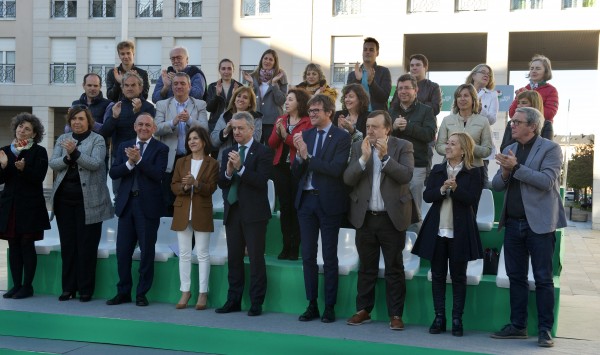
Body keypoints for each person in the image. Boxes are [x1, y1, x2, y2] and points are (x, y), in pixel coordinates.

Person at [491, 107, 566, 348]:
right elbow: (496, 186)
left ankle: (545, 330)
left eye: (517, 122)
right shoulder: (508, 149)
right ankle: (518, 325)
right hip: (513, 223)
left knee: (543, 278)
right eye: (512, 122)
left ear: (532, 126)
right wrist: (504, 172)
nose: (512, 125)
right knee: (516, 277)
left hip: (540, 225)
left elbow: (546, 181)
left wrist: (515, 168)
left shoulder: (551, 148)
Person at [343, 110, 416, 331]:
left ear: (387, 129)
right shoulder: (358, 147)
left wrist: (385, 158)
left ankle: (395, 314)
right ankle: (363, 310)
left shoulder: (403, 146)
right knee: (366, 268)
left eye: (375, 126)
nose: (370, 130)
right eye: (367, 126)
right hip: (365, 217)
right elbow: (348, 178)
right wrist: (364, 159)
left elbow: (406, 176)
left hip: (391, 218)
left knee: (394, 268)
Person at [412, 132, 483, 337]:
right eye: (447, 143)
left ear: (463, 150)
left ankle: (457, 319)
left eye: (453, 144)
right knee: (438, 275)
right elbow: (427, 196)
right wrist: (443, 189)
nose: (448, 147)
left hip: (460, 231)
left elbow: (471, 200)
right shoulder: (437, 169)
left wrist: (457, 189)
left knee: (459, 276)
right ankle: (439, 317)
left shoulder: (474, 172)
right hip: (437, 230)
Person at [292, 94, 352, 323]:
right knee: (307, 255)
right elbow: (296, 173)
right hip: (306, 201)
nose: (312, 114)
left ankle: (329, 306)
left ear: (329, 112)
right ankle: (312, 304)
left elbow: (336, 169)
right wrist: (299, 159)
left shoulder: (341, 137)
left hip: (328, 202)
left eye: (317, 110)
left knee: (329, 256)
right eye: (310, 110)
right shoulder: (304, 135)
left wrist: (307, 156)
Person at [49, 107, 113, 302]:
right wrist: (68, 157)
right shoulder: (63, 138)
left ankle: (85, 289)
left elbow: (95, 163)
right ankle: (68, 288)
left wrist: (74, 153)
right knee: (68, 246)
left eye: (81, 119)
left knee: (86, 247)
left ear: (88, 121)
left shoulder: (98, 139)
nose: (77, 122)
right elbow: (53, 163)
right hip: (64, 201)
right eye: (74, 119)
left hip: (90, 202)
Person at [106, 114, 169, 307]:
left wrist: (139, 160)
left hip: (148, 207)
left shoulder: (161, 148)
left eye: (147, 125)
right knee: (122, 252)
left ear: (154, 128)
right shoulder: (124, 145)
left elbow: (158, 174)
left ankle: (142, 293)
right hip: (126, 205)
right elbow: (113, 172)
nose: (143, 128)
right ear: (134, 126)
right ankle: (123, 292)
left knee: (146, 252)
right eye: (140, 124)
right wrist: (129, 163)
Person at [215, 112, 273, 317]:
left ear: (251, 129)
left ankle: (256, 302)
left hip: (255, 213)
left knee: (256, 259)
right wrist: (229, 172)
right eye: (234, 128)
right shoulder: (228, 151)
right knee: (234, 259)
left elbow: (260, 181)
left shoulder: (264, 152)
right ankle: (233, 300)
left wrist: (240, 168)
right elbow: (222, 182)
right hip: (233, 211)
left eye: (241, 128)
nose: (236, 132)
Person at [0, 113, 50, 299]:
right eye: (20, 126)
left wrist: (24, 169)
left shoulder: (39, 151)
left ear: (34, 134)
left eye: (27, 128)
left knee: (26, 244)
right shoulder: (5, 150)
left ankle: (27, 286)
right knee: (13, 245)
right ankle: (16, 285)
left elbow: (39, 177)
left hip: (30, 207)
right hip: (10, 206)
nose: (22, 130)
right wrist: (4, 166)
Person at [170, 126, 218, 310]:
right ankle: (185, 291)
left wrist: (196, 183)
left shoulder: (212, 163)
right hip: (182, 211)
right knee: (184, 254)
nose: (192, 141)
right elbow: (173, 186)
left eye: (196, 138)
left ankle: (203, 293)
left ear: (204, 141)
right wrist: (183, 187)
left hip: (202, 211)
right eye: (190, 139)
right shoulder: (181, 162)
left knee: (203, 254)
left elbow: (211, 189)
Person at [154, 72, 208, 217]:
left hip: (192, 159)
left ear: (189, 86)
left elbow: (205, 130)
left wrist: (190, 120)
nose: (179, 86)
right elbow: (156, 129)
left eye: (183, 83)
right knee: (168, 200)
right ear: (171, 87)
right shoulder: (162, 104)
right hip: (170, 160)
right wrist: (173, 122)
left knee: (191, 200)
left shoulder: (200, 104)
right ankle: (169, 236)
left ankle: (188, 237)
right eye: (176, 83)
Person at [268, 88, 312, 260]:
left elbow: (302, 145)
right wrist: (280, 134)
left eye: (290, 99)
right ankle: (286, 245)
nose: (286, 102)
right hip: (280, 168)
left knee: (297, 207)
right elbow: (271, 143)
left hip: (298, 168)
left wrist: (286, 135)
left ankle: (295, 247)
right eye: (286, 99)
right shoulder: (281, 119)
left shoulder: (307, 122)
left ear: (299, 103)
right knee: (285, 208)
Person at [389, 73, 437, 229]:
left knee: (414, 212)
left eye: (407, 88)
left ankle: (416, 248)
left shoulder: (426, 111)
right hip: (393, 166)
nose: (403, 91)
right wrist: (392, 128)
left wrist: (408, 127)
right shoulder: (391, 111)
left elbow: (430, 134)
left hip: (417, 166)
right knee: (393, 208)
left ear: (416, 90)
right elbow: (381, 136)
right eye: (400, 88)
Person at [101, 72, 156, 197]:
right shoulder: (115, 107)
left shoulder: (148, 107)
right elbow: (104, 132)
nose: (129, 88)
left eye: (133, 85)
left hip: (143, 157)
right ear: (122, 88)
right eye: (126, 85)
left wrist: (138, 113)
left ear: (141, 88)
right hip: (120, 157)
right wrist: (114, 117)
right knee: (120, 195)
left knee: (143, 195)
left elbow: (147, 132)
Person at [436, 84, 492, 192]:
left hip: (474, 169)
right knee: (448, 204)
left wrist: (468, 147)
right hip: (449, 170)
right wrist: (454, 150)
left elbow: (487, 150)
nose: (462, 99)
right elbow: (439, 146)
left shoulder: (483, 121)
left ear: (473, 99)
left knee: (471, 206)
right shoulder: (447, 120)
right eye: (459, 96)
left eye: (466, 95)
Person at [243, 49, 288, 144]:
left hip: (273, 121)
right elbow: (249, 99)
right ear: (261, 60)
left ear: (275, 62)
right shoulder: (253, 76)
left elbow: (281, 101)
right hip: (255, 119)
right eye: (265, 58)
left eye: (271, 59)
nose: (267, 61)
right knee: (255, 150)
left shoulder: (281, 77)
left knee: (270, 151)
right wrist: (252, 84)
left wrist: (274, 83)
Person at [465, 64, 499, 189]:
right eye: (483, 72)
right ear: (473, 75)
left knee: (481, 182)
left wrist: (481, 111)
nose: (487, 75)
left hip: (481, 142)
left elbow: (492, 120)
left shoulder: (492, 95)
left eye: (489, 74)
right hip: (463, 141)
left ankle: (482, 207)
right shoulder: (463, 92)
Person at [210, 86, 263, 162]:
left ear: (250, 103)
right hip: (225, 160)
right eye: (238, 96)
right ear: (234, 99)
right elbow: (214, 141)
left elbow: (256, 140)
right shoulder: (225, 116)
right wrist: (226, 131)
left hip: (247, 161)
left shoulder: (256, 118)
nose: (241, 99)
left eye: (245, 97)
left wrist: (241, 128)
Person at [508, 54, 559, 123]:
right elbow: (512, 114)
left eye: (538, 68)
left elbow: (549, 114)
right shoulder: (522, 90)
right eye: (532, 68)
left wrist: (531, 99)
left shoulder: (551, 90)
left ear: (546, 72)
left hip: (542, 130)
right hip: (523, 129)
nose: (533, 71)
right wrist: (518, 98)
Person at [346, 37, 391, 111]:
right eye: (365, 49)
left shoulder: (384, 72)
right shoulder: (353, 75)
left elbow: (384, 98)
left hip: (377, 117)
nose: (367, 52)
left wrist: (371, 83)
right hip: (358, 116)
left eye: (371, 50)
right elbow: (348, 97)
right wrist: (357, 80)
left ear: (377, 53)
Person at [206, 59, 242, 135]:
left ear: (233, 70)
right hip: (215, 125)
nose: (226, 71)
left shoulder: (239, 87)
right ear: (219, 70)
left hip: (234, 124)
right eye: (223, 68)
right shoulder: (212, 87)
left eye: (229, 68)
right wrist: (217, 95)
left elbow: (242, 108)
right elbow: (209, 108)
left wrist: (234, 96)